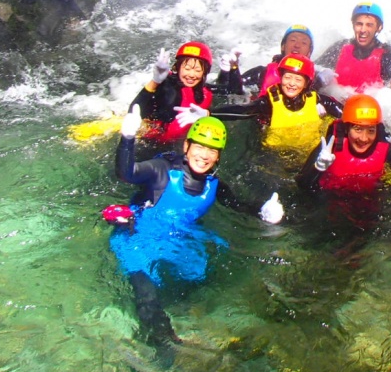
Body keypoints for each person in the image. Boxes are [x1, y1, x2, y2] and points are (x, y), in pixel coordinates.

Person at [106, 110, 284, 345]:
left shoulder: (213, 184)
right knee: (147, 296)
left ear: (218, 157)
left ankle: (192, 323)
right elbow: (126, 173)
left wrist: (263, 212)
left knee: (198, 282)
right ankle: (163, 343)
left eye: (212, 150)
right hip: (137, 238)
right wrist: (127, 138)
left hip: (179, 240)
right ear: (186, 146)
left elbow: (236, 204)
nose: (204, 156)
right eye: (199, 147)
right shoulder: (162, 169)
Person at [209, 53, 344, 159]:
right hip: (274, 156)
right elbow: (243, 110)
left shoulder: (317, 101)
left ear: (307, 83)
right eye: (287, 77)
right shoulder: (269, 102)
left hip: (309, 154)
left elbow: (347, 114)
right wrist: (209, 113)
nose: (291, 83)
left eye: (298, 79)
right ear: (281, 77)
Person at [296, 94, 391, 192]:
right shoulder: (331, 145)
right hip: (333, 200)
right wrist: (317, 168)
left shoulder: (385, 148)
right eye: (358, 129)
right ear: (346, 128)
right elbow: (301, 184)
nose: (364, 139)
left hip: (370, 199)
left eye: (371, 130)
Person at [128, 42, 217, 147]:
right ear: (178, 68)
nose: (192, 75)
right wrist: (155, 81)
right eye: (187, 69)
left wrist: (207, 114)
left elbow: (231, 94)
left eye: (197, 70)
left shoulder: (206, 92)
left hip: (177, 143)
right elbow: (133, 113)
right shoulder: (167, 85)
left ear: (205, 72)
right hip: (147, 142)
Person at [316, 3, 391, 92]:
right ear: (353, 25)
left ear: (379, 27)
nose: (363, 30)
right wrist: (318, 81)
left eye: (369, 25)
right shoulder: (340, 48)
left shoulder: (387, 54)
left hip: (370, 105)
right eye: (359, 24)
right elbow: (311, 70)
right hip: (339, 104)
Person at [220, 24, 317, 96]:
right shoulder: (261, 73)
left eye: (304, 43)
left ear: (309, 52)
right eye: (293, 40)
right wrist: (227, 71)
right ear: (283, 46)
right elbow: (230, 93)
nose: (297, 45)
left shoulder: (317, 80)